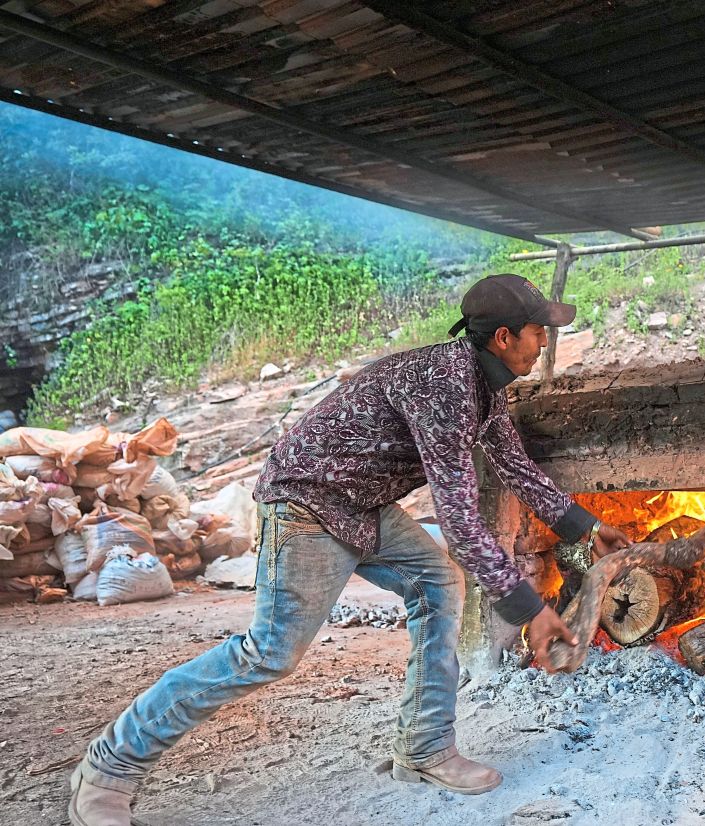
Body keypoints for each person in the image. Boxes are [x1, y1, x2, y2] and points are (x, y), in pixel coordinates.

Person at [68, 274, 633, 825]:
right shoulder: (444, 387)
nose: (545, 342)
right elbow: (459, 521)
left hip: (362, 504)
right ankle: (109, 767)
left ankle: (425, 749)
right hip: (309, 504)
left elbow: (514, 466)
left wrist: (586, 527)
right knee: (269, 652)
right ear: (504, 337)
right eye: (538, 331)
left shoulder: (479, 387)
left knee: (436, 583)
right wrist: (530, 611)